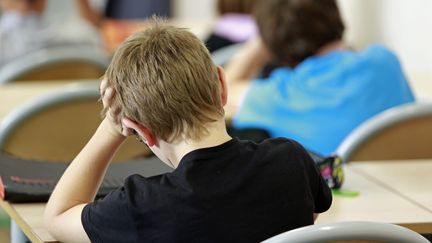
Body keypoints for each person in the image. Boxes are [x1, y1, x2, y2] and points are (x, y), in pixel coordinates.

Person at [43, 19, 332, 242]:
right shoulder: (292, 162)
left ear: (139, 131)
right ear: (221, 84)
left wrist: (110, 127)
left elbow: (57, 218)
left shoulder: (140, 206)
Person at [225, 0, 415, 156]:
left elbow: (223, 89)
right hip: (411, 193)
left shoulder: (278, 95)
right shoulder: (385, 61)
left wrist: (262, 39)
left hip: (335, 198)